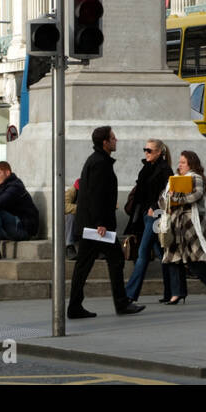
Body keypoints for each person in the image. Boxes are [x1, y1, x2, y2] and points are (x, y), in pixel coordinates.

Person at [68, 126, 146, 319]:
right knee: (115, 259)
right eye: (113, 138)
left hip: (92, 225)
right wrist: (100, 223)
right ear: (105, 142)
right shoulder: (100, 163)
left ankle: (75, 306)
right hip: (97, 227)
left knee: (86, 264)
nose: (116, 140)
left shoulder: (97, 161)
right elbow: (96, 196)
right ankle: (120, 303)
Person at [159, 151, 206, 304]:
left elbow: (196, 195)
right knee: (172, 258)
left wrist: (175, 197)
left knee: (194, 260)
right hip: (174, 224)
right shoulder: (173, 180)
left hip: (192, 223)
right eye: (179, 162)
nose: (179, 165)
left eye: (183, 162)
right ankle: (177, 293)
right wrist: (169, 198)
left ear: (191, 163)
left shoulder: (196, 178)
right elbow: (162, 200)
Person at [124, 139, 176, 304]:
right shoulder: (146, 168)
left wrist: (154, 207)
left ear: (159, 152)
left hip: (156, 215)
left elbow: (168, 193)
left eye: (150, 150)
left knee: (143, 253)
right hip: (145, 217)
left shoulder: (165, 170)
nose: (146, 152)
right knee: (161, 255)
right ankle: (172, 291)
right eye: (145, 149)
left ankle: (129, 294)